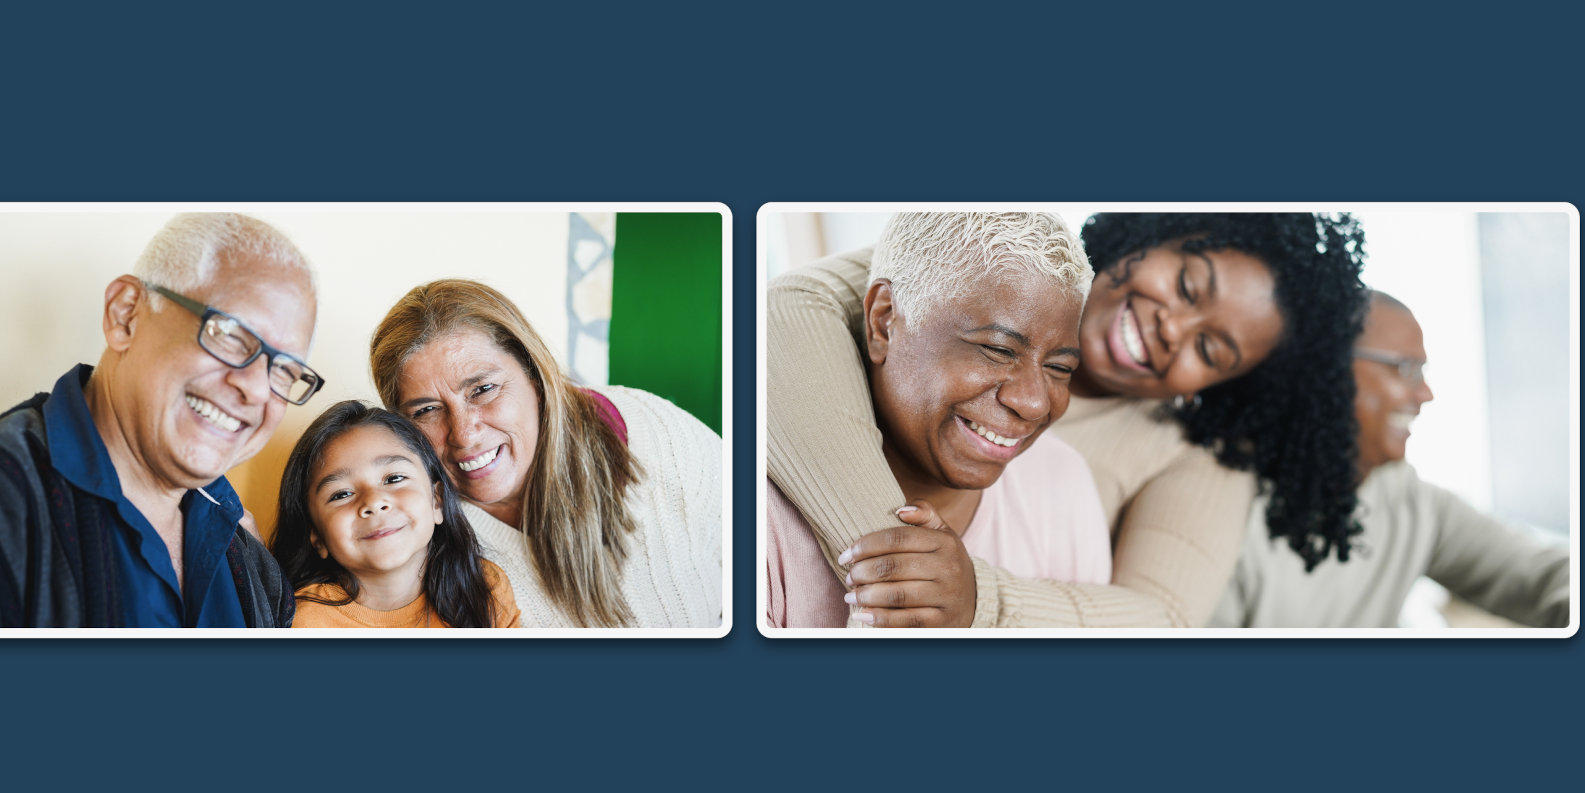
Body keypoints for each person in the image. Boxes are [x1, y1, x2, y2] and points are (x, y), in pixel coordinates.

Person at [767, 213, 1371, 627]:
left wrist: (977, 601)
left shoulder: (1176, 460)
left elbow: (1161, 618)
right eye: (1188, 285)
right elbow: (790, 310)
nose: (1173, 328)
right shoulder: (1014, 261)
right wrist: (896, 579)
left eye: (1210, 350)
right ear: (1152, 235)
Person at [0, 213, 322, 627]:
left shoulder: (252, 564)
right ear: (126, 315)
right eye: (232, 335)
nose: (256, 390)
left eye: (285, 372)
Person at [765, 213, 1110, 628]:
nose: (1034, 403)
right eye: (998, 350)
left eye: (1059, 368)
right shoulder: (757, 514)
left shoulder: (1063, 485)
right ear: (883, 321)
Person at [371, 280, 724, 628]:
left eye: (483, 390)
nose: (464, 434)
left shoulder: (656, 435)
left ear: (535, 377)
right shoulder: (408, 534)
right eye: (426, 411)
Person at [1211, 291, 1569, 628]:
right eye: (1406, 368)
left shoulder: (1407, 499)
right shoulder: (1218, 510)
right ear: (1325, 370)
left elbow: (1537, 573)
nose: (1425, 394)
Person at [269, 401, 522, 629]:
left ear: (437, 500)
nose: (374, 502)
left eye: (394, 478)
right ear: (317, 537)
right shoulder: (304, 623)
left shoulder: (485, 588)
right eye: (341, 494)